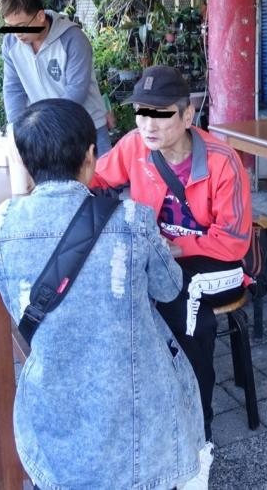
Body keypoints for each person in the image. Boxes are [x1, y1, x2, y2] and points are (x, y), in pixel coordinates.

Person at [0, 99, 205, 490]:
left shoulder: (0, 225)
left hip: (55, 410)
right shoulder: (132, 219)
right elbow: (170, 286)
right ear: (92, 156)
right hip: (140, 409)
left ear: (25, 163)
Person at [91, 65, 252, 442]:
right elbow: (96, 179)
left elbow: (234, 241)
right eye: (142, 113)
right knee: (119, 290)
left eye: (161, 114)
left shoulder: (221, 162)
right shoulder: (135, 146)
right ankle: (147, 402)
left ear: (187, 115)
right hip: (166, 259)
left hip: (220, 264)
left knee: (181, 302)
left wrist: (174, 247)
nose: (149, 125)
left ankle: (198, 426)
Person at [0, 0, 112, 156]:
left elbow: (76, 90)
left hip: (87, 126)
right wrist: (16, 126)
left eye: (21, 26)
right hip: (47, 131)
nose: (17, 34)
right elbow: (13, 88)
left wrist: (45, 125)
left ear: (40, 16)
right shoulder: (11, 44)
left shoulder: (73, 39)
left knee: (104, 180)